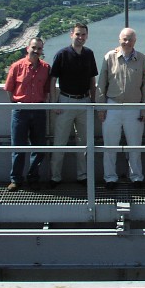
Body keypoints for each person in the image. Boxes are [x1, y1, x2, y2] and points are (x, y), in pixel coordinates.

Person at [96, 27, 145, 190]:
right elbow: (101, 84)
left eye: (130, 39)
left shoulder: (142, 60)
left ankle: (136, 177)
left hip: (134, 107)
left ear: (135, 41)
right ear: (119, 39)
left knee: (135, 146)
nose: (127, 42)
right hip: (112, 105)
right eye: (124, 39)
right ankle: (110, 178)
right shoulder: (109, 57)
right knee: (110, 145)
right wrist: (101, 107)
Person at [49, 23, 98, 187]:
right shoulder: (62, 54)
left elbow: (92, 79)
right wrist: (54, 103)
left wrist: (93, 100)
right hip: (66, 101)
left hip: (85, 102)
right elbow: (53, 80)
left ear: (87, 36)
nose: (81, 37)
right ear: (71, 34)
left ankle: (82, 176)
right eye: (78, 34)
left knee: (84, 142)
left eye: (83, 35)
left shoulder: (89, 54)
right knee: (60, 141)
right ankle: (55, 177)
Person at [3, 37, 51, 191]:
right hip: (21, 111)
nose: (36, 51)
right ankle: (16, 179)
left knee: (39, 147)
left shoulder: (45, 68)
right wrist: (17, 103)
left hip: (38, 110)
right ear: (27, 48)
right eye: (34, 48)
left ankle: (33, 178)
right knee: (18, 147)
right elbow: (10, 89)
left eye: (39, 49)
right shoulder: (17, 66)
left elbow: (47, 90)